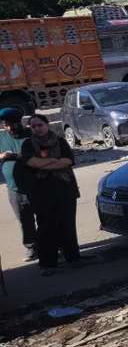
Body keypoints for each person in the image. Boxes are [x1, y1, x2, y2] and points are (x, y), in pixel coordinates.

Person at [18, 115, 81, 275]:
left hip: (65, 190)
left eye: (39, 125)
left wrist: (46, 163)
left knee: (67, 225)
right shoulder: (28, 144)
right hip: (41, 193)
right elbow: (31, 162)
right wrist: (54, 162)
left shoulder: (60, 141)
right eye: (33, 127)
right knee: (46, 227)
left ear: (47, 125)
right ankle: (48, 264)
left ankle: (73, 258)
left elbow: (68, 160)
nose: (37, 128)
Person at [0, 108, 37, 261]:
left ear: (19, 122)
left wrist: (13, 156)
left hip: (36, 185)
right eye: (5, 125)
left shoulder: (31, 135)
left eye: (12, 124)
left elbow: (38, 155)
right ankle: (31, 247)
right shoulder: (1, 137)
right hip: (14, 188)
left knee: (44, 216)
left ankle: (52, 244)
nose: (9, 128)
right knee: (24, 219)